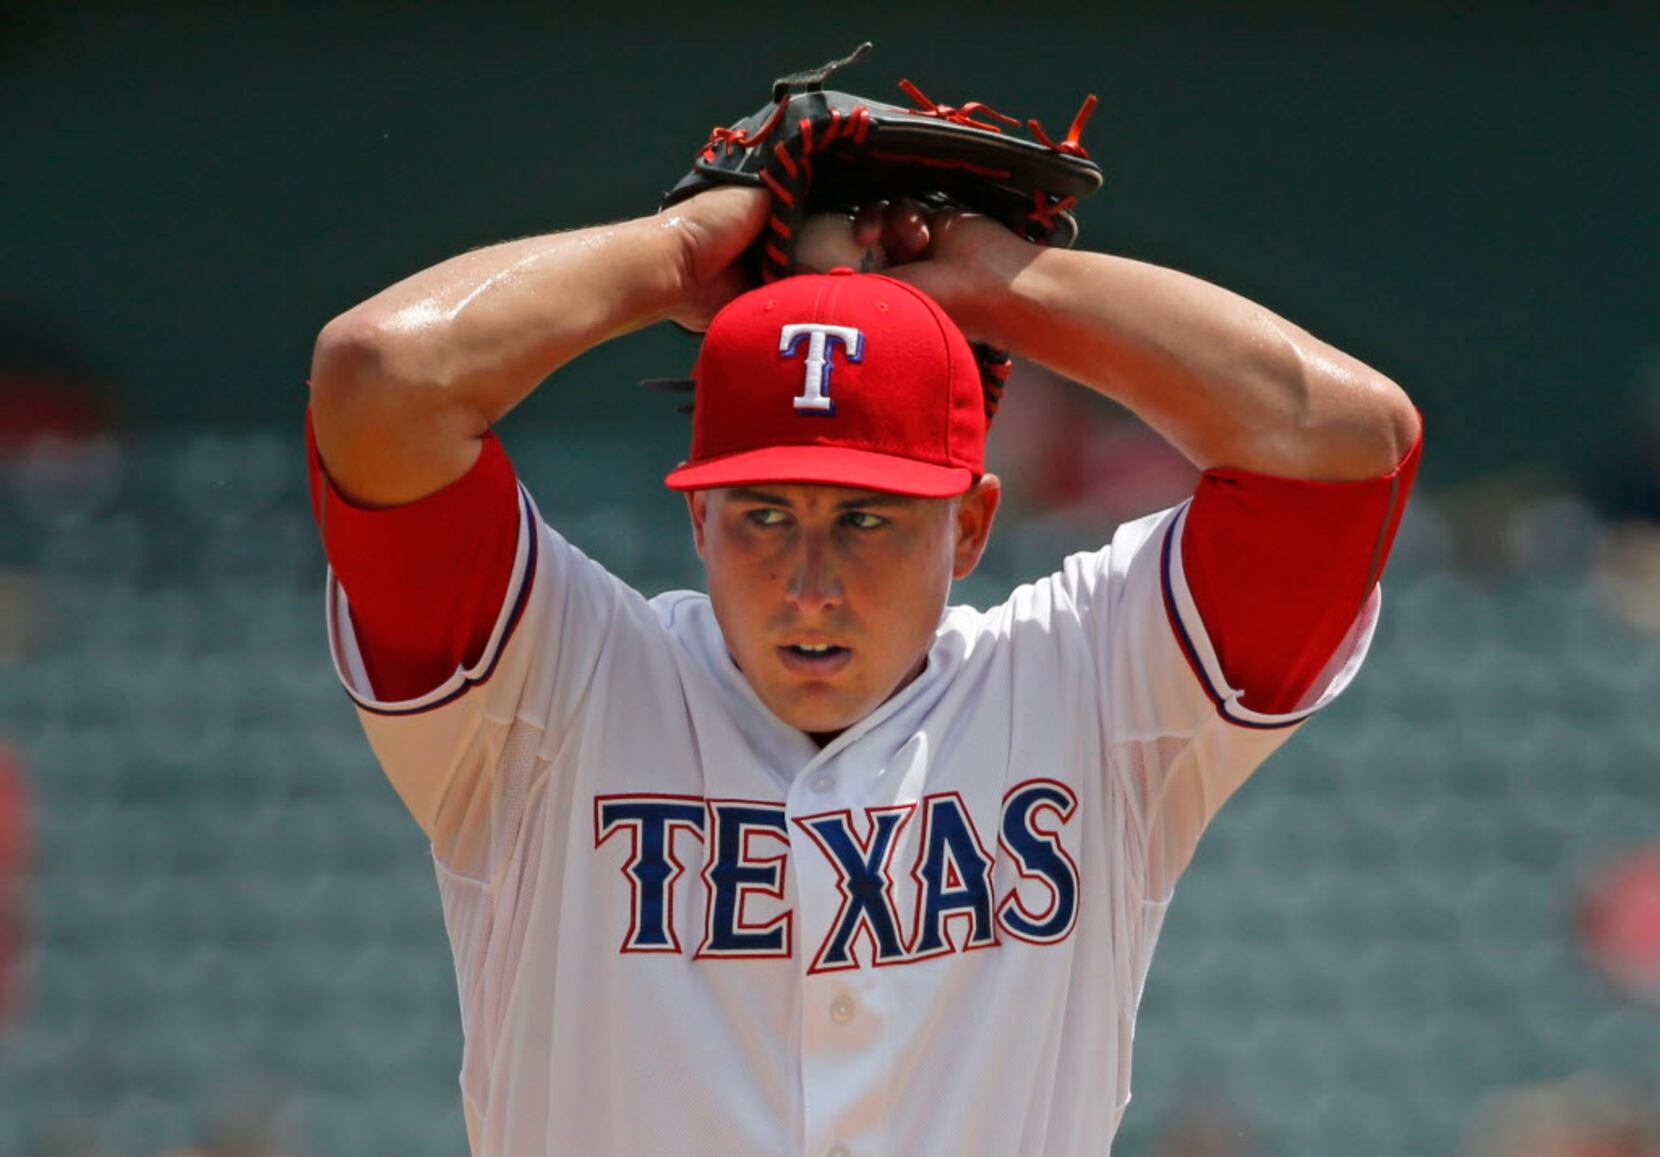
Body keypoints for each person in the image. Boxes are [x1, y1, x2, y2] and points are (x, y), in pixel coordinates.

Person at [305, 187, 1421, 1155]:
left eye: (867, 519)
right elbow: (382, 374)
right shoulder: (553, 688)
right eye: (764, 514)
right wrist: (673, 256)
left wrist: (999, 286)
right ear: (696, 514)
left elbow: (1343, 436)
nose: (809, 580)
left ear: (971, 525)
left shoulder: (1091, 683)